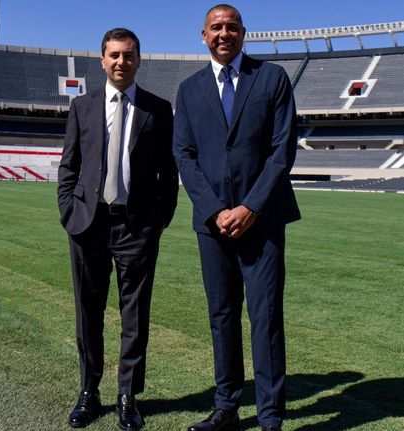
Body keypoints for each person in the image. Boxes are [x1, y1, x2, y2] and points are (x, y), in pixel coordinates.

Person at [173, 4, 300, 431]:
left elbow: (282, 150)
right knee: (222, 314)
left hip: (261, 221)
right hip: (213, 224)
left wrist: (250, 207)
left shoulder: (272, 78)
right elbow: (184, 156)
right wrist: (216, 211)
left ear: (244, 33)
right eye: (216, 28)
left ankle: (270, 415)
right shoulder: (188, 90)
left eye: (231, 27)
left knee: (265, 317)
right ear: (203, 35)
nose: (224, 34)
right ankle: (226, 406)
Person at [57, 27, 178, 431]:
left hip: (136, 227)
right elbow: (68, 166)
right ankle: (88, 393)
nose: (121, 62)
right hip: (88, 224)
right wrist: (67, 212)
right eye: (114, 55)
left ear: (139, 59)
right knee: (87, 313)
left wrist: (157, 221)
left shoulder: (158, 110)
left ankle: (128, 396)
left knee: (135, 316)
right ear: (102, 60)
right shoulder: (82, 106)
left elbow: (168, 171)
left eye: (128, 55)